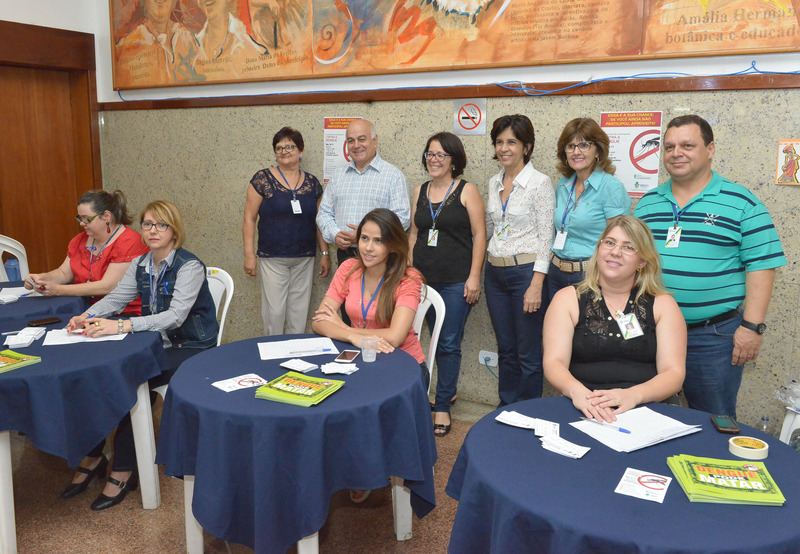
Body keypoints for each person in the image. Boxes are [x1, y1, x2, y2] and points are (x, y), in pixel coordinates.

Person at [62, 200, 219, 510]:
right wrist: (86, 316)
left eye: (161, 225)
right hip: (156, 342)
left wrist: (122, 325)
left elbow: (175, 316)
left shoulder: (189, 265)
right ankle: (93, 456)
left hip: (191, 347)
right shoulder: (140, 263)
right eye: (147, 224)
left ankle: (123, 470)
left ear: (174, 230)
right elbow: (116, 299)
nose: (153, 231)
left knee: (129, 381)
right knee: (101, 374)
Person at [634, 115, 786, 419]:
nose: (676, 153)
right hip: (652, 331)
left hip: (712, 338)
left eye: (687, 145)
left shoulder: (742, 202)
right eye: (669, 147)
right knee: (650, 415)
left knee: (713, 418)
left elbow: (762, 265)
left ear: (710, 149)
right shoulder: (648, 203)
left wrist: (752, 328)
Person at [312, 208, 426, 505]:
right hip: (359, 357)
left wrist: (343, 328)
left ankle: (369, 465)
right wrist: (352, 336)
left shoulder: (408, 278)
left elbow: (395, 336)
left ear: (392, 245)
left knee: (362, 402)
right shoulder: (348, 268)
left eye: (378, 240)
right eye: (364, 238)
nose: (369, 247)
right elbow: (319, 321)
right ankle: (344, 462)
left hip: (402, 365)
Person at [543, 216, 686, 422]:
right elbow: (554, 363)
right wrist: (579, 393)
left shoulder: (663, 305)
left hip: (646, 408)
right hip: (584, 407)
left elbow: (673, 374)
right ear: (599, 249)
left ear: (642, 261)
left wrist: (633, 395)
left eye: (628, 247)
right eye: (610, 242)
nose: (616, 252)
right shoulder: (567, 299)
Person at [408, 132, 485, 437]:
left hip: (456, 282)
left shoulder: (467, 191)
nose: (434, 160)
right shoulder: (420, 190)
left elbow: (480, 235)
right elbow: (414, 234)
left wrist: (474, 276)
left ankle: (442, 405)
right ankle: (436, 393)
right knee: (420, 339)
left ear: (454, 160)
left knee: (448, 342)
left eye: (441, 155)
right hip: (422, 282)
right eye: (430, 154)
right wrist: (409, 273)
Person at [484, 114, 555, 407]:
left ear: (526, 146)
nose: (504, 148)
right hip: (494, 273)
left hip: (526, 273)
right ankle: (506, 409)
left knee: (528, 353)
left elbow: (546, 236)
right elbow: (491, 227)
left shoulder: (540, 183)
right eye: (499, 142)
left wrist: (537, 284)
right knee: (506, 349)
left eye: (512, 142)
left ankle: (528, 412)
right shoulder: (493, 182)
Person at [243, 126, 330, 336]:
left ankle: (294, 352)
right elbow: (249, 218)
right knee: (274, 314)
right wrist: (249, 255)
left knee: (298, 314)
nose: (284, 151)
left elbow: (320, 221)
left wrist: (325, 253)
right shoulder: (262, 179)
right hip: (273, 258)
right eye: (279, 148)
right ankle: (272, 353)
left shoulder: (312, 183)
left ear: (301, 151)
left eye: (289, 146)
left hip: (304, 258)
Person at [24, 189, 149, 315]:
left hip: (123, 313)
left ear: (107, 216)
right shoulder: (79, 240)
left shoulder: (130, 242)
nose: (82, 224)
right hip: (85, 309)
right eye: (80, 218)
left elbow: (107, 286)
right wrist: (42, 278)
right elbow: (64, 273)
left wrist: (58, 289)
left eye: (87, 219)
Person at [549, 118, 630, 300]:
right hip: (556, 272)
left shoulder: (610, 186)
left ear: (597, 151)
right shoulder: (563, 184)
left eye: (584, 145)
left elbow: (619, 241)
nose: (576, 152)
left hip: (590, 275)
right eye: (570, 146)